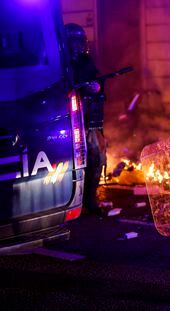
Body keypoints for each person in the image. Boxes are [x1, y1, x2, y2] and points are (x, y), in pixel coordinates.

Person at [65, 23, 107, 216]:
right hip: (67, 122)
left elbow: (99, 84)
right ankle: (71, 201)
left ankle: (90, 198)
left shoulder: (87, 61)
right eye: (74, 41)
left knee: (96, 156)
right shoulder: (61, 64)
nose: (78, 45)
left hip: (89, 121)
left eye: (80, 41)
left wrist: (97, 88)